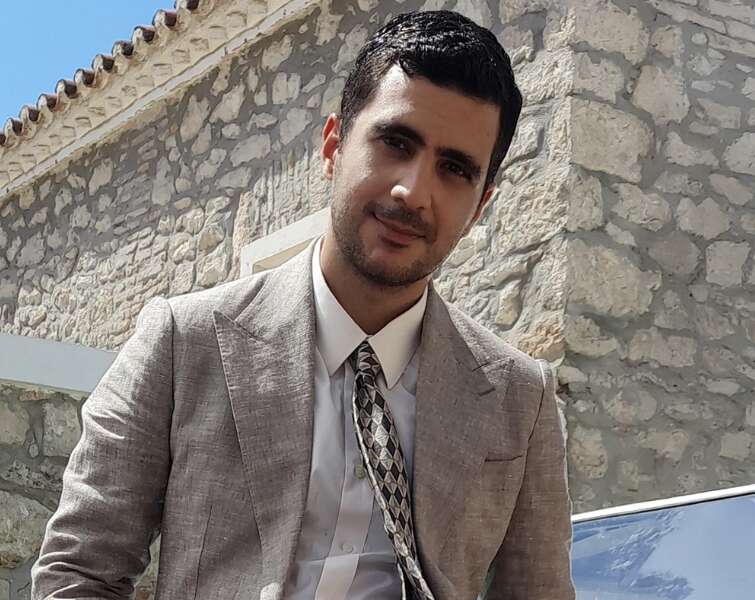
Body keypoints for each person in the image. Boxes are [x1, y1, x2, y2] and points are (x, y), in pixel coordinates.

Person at [32, 10, 574, 600]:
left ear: (481, 205)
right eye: (396, 142)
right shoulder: (183, 343)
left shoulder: (520, 399)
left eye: (454, 170)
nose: (412, 191)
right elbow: (77, 574)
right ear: (333, 146)